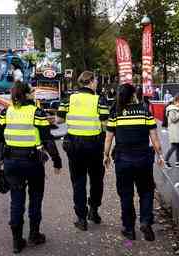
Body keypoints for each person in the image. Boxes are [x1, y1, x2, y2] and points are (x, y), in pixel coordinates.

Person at [0, 82, 62, 254]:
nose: (34, 93)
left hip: (11, 162)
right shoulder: (36, 112)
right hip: (33, 163)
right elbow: (47, 139)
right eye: (32, 91)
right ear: (26, 94)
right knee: (36, 198)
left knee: (16, 201)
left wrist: (0, 159)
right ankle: (34, 234)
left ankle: (17, 241)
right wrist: (56, 160)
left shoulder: (5, 112)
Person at [103, 83, 164, 242]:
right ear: (134, 95)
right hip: (143, 158)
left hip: (123, 159)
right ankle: (145, 221)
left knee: (126, 194)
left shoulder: (115, 113)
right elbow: (154, 137)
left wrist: (106, 155)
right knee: (146, 191)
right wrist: (160, 155)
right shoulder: (145, 111)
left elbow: (109, 137)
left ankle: (129, 229)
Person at [57, 70, 109, 231]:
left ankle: (81, 218)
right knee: (96, 179)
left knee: (78, 181)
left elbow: (59, 119)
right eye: (96, 81)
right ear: (91, 81)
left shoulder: (68, 98)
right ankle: (93, 210)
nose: (97, 83)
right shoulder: (99, 99)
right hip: (94, 146)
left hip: (74, 145)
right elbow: (106, 124)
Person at [164, 93, 179, 169]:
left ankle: (178, 162)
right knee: (173, 147)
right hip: (174, 132)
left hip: (177, 131)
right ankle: (165, 161)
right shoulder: (171, 109)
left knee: (178, 147)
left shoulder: (176, 108)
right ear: (177, 100)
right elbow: (174, 119)